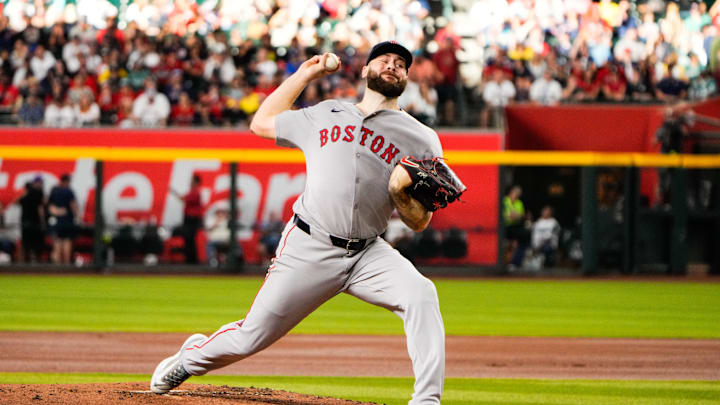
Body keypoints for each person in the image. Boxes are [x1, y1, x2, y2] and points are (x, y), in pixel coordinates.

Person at [151, 42, 446, 404]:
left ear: (405, 77)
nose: (392, 65)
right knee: (251, 337)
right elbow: (260, 123)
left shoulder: (423, 138)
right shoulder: (326, 113)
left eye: (400, 63)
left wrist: (403, 198)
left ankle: (427, 400)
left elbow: (421, 221)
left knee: (421, 294)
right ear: (366, 70)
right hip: (311, 244)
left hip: (368, 253)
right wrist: (305, 75)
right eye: (383, 59)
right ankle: (189, 359)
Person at [171, 175, 203, 264]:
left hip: (192, 219)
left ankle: (192, 260)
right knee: (189, 239)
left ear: (196, 182)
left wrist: (174, 193)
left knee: (190, 239)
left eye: (192, 181)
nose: (190, 183)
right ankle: (191, 259)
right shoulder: (193, 192)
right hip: (190, 218)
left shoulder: (195, 192)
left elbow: (184, 199)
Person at [48, 174, 78, 264]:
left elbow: (50, 207)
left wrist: (57, 212)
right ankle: (66, 265)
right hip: (67, 220)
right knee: (66, 241)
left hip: (56, 220)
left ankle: (58, 267)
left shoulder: (54, 190)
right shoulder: (68, 191)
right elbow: (73, 205)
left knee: (57, 242)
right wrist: (76, 216)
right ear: (66, 181)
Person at [503, 185, 529, 269]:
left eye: (519, 194)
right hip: (504, 227)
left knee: (523, 236)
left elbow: (521, 216)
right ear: (511, 192)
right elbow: (504, 215)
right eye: (516, 192)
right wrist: (510, 216)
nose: (517, 195)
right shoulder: (504, 201)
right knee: (505, 244)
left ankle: (515, 263)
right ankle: (503, 263)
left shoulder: (519, 203)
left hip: (515, 227)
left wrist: (517, 216)